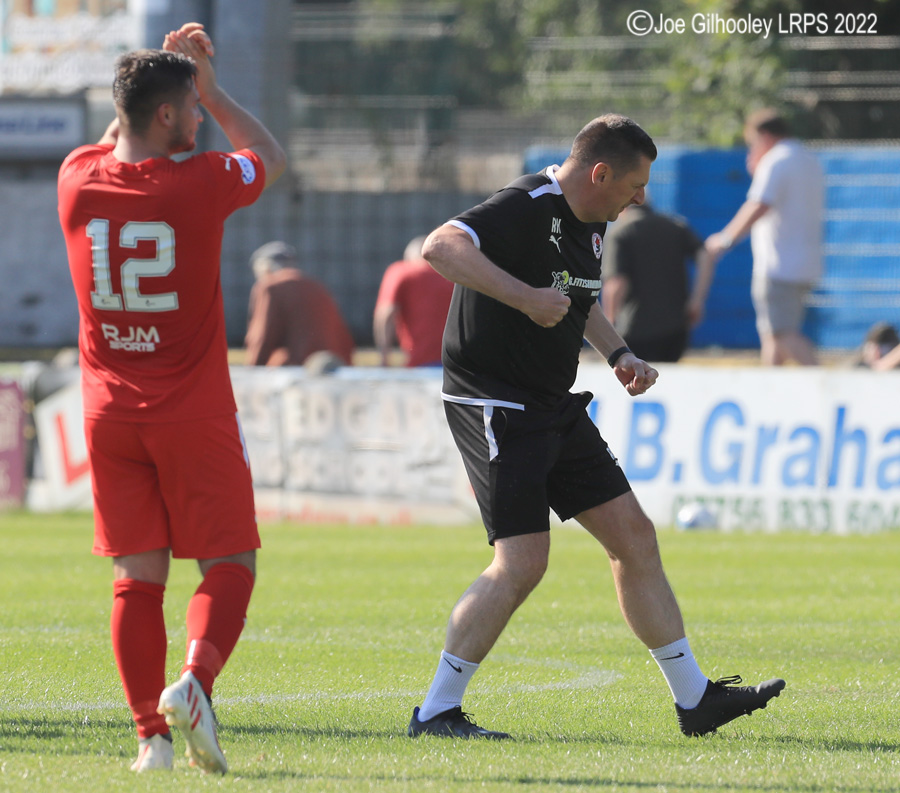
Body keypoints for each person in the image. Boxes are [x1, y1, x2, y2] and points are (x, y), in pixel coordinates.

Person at [407, 114, 784, 741]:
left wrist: (619, 354)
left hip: (550, 402)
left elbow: (577, 300)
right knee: (522, 563)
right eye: (634, 185)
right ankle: (435, 712)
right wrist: (524, 296)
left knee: (634, 537)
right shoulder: (527, 202)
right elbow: (440, 248)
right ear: (600, 173)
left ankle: (695, 700)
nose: (640, 198)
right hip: (495, 402)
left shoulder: (594, 220)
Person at [57, 23, 286, 774]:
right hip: (192, 409)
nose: (197, 118)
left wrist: (161, 82)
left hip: (109, 413)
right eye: (187, 108)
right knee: (231, 561)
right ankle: (195, 682)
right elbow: (270, 156)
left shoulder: (76, 178)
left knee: (135, 576)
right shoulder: (202, 181)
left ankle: (149, 740)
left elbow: (115, 137)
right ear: (166, 115)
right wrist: (212, 89)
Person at [706, 109, 824, 366]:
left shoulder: (776, 161)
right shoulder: (807, 158)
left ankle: (827, 383)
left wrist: (725, 239)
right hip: (803, 263)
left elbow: (758, 204)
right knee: (772, 335)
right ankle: (771, 385)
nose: (752, 149)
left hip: (778, 264)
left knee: (782, 334)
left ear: (765, 136)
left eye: (753, 142)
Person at [601, 202, 717, 362]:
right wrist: (697, 300)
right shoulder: (675, 225)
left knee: (637, 375)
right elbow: (705, 256)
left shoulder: (620, 231)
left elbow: (617, 283)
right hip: (676, 329)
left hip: (634, 329)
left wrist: (608, 324)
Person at [244, 241, 355, 367]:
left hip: (296, 367)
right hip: (334, 365)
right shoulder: (316, 286)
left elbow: (262, 336)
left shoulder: (270, 286)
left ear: (265, 267)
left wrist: (253, 369)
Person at [373, 235, 454, 366]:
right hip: (456, 363)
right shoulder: (454, 276)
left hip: (420, 362)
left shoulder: (402, 271)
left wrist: (384, 357)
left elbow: (386, 313)